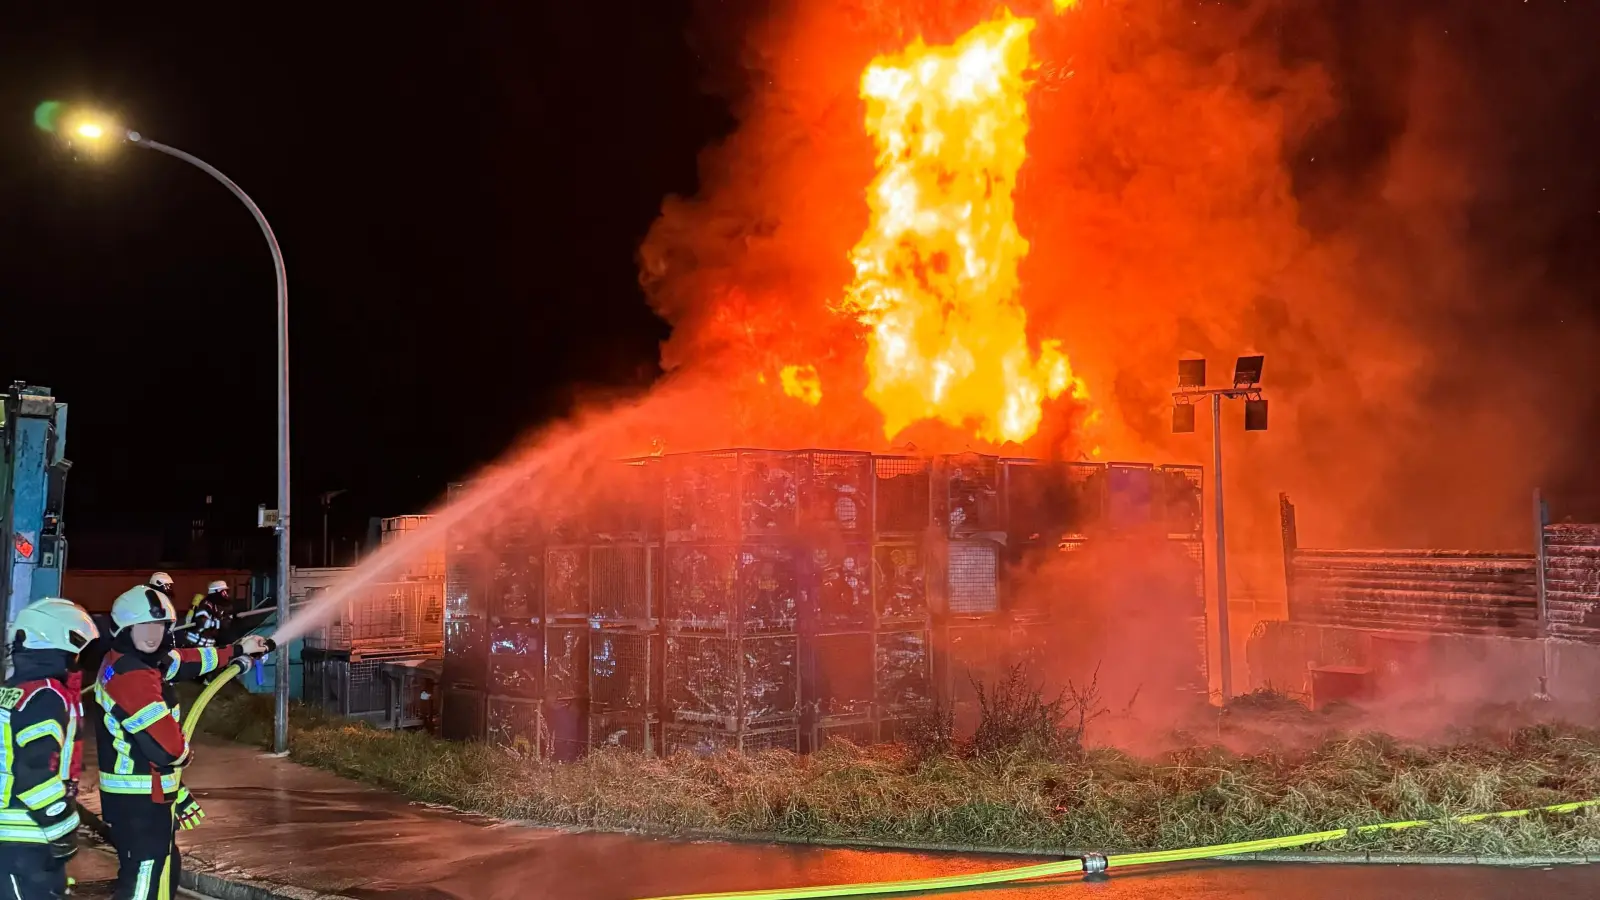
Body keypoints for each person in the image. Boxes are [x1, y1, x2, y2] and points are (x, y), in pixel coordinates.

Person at [93, 585, 273, 900]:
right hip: (139, 801)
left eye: (160, 626)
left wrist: (237, 651)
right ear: (124, 629)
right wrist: (184, 754)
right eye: (144, 626)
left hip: (144, 795)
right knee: (146, 881)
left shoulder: (141, 660)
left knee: (165, 868)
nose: (153, 634)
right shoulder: (131, 677)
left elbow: (187, 660)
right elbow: (167, 749)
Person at [0, 597, 99, 900]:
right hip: (26, 838)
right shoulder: (46, 696)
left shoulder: (12, 690)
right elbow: (34, 773)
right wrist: (62, 826)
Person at [181, 581, 232, 649]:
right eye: (224, 592)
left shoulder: (215, 606)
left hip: (206, 645)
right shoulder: (205, 605)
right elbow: (203, 623)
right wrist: (220, 622)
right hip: (195, 644)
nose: (226, 594)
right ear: (215, 592)